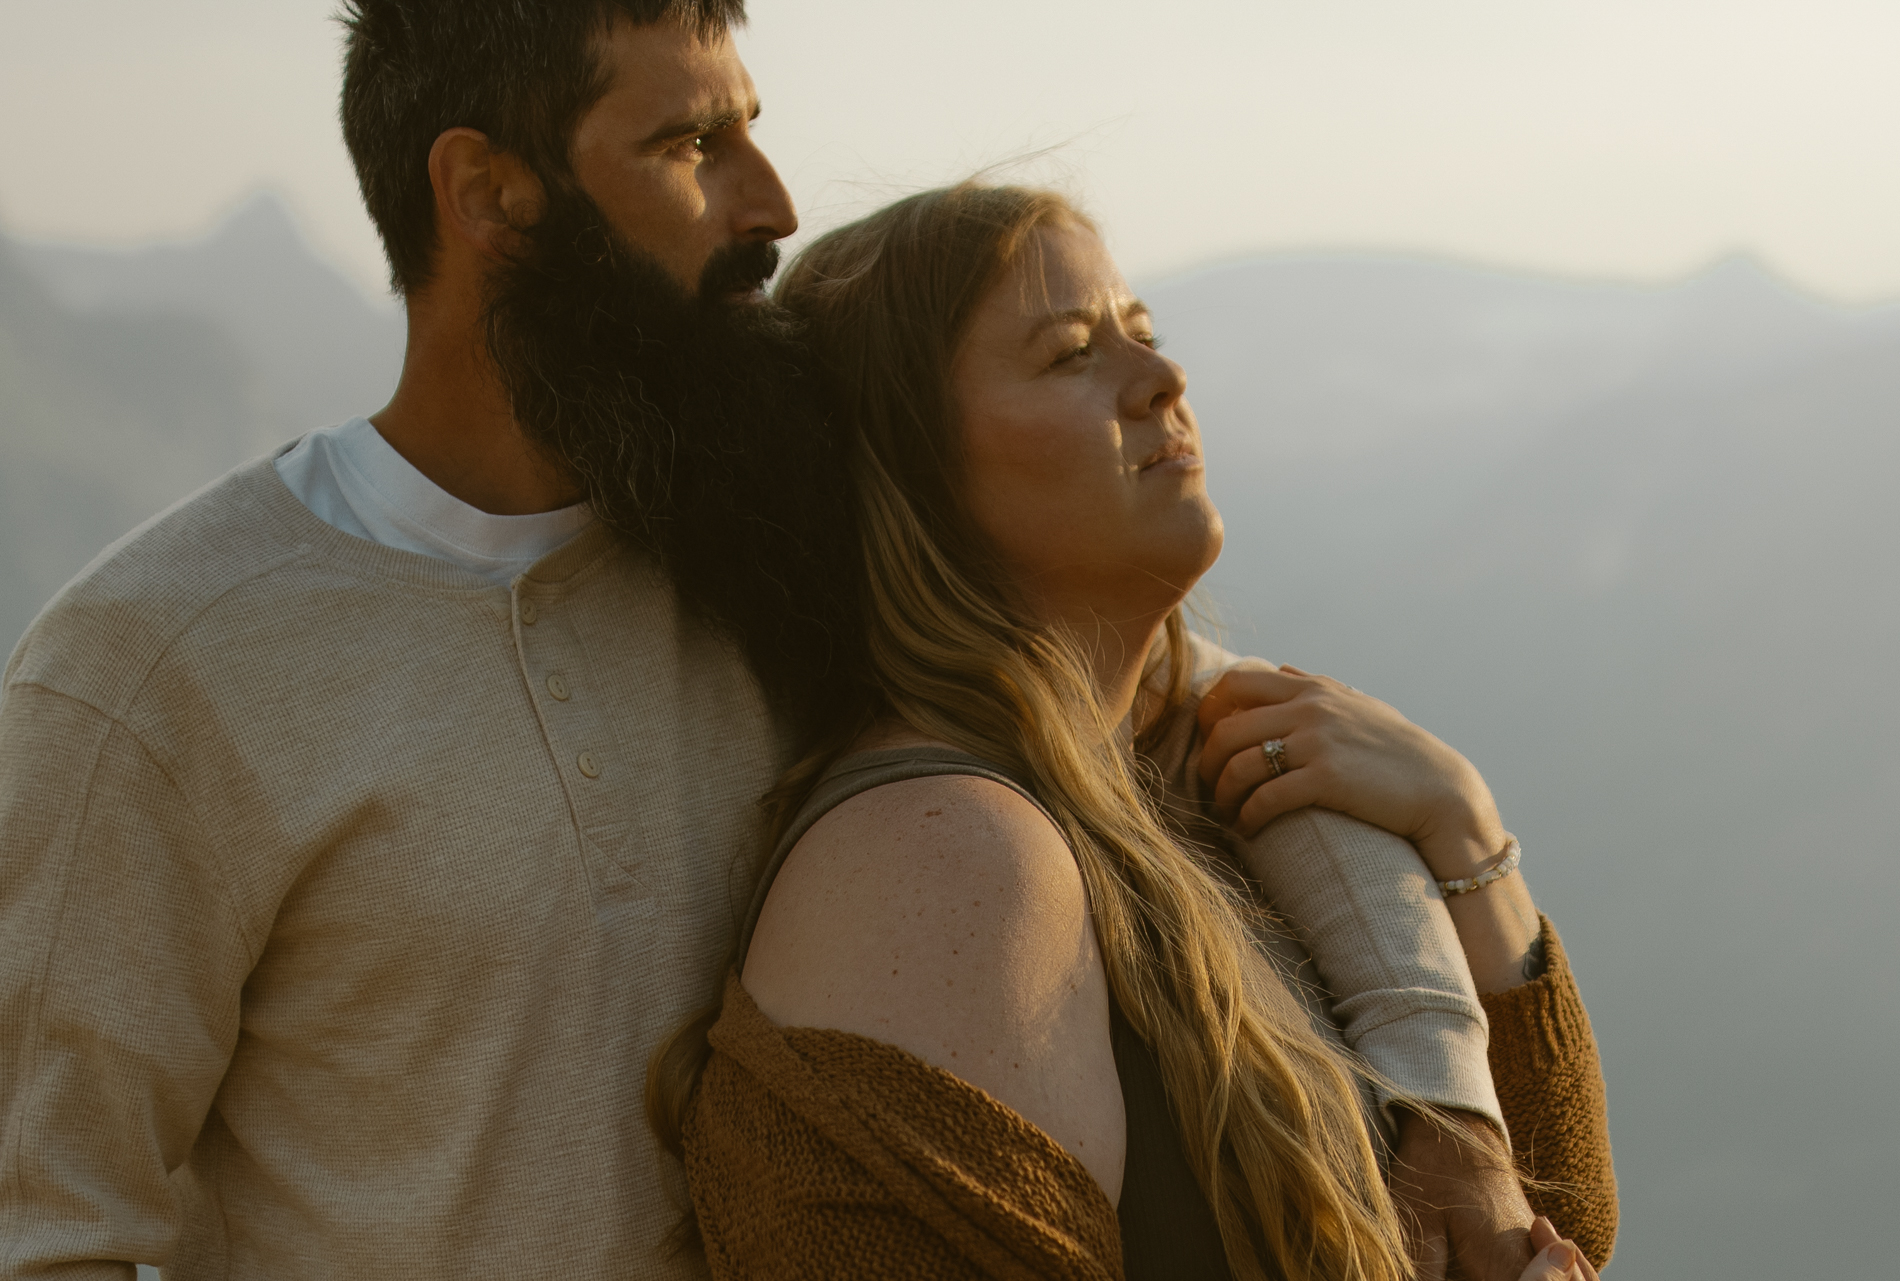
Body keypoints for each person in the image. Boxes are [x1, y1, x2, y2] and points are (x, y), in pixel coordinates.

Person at [0, 4, 1600, 1278]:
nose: (766, 204)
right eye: (692, 145)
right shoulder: (162, 668)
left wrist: (1448, 1016)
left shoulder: (773, 538)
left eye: (753, 129)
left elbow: (1206, 751)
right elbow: (43, 1227)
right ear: (489, 194)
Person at [654, 184, 1613, 1280]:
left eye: (1143, 333)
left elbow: (1545, 1209)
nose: (1164, 379)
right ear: (909, 473)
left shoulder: (1195, 769)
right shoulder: (943, 856)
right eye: (1070, 355)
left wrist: (1463, 829)